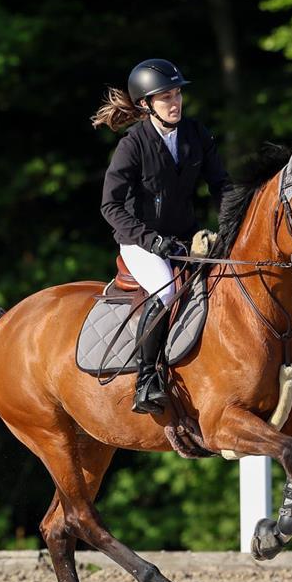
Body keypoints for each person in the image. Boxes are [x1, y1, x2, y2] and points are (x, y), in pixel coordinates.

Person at [92, 59, 229, 414]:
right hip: (140, 240)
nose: (175, 103)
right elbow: (111, 206)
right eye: (165, 96)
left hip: (184, 238)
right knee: (166, 290)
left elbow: (221, 186)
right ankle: (146, 379)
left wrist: (231, 225)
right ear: (145, 104)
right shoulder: (132, 146)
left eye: (178, 93)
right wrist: (151, 241)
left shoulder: (196, 134)